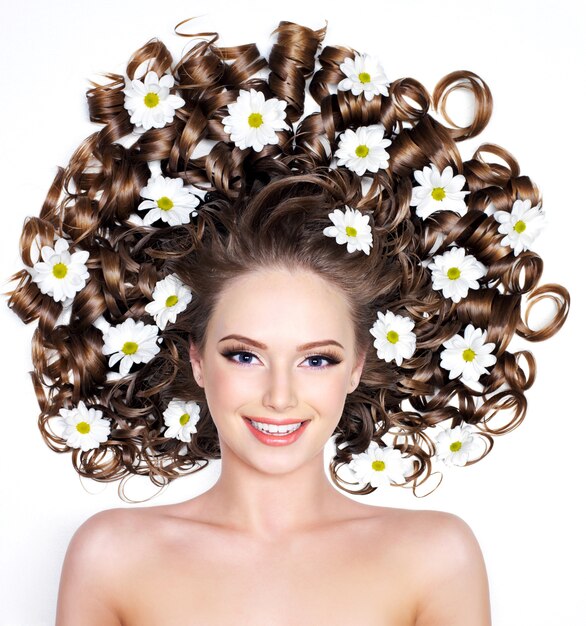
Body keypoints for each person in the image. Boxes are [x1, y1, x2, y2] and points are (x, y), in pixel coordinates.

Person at [5, 19, 569, 625]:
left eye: (317, 358)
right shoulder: (110, 556)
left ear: (357, 366)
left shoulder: (435, 559)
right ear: (195, 358)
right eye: (244, 355)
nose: (279, 396)